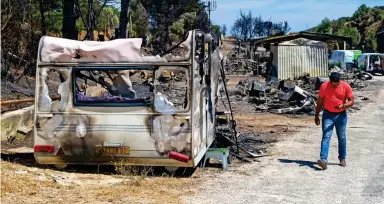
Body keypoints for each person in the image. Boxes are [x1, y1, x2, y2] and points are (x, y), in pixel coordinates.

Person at [315, 72, 354, 170]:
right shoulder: (324, 87)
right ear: (330, 81)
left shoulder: (346, 86)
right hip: (328, 115)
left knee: (342, 137)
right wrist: (316, 115)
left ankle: (342, 158)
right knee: (326, 136)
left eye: (337, 85)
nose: (334, 86)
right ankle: (323, 160)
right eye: (333, 84)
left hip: (341, 115)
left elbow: (351, 101)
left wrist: (344, 105)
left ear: (340, 81)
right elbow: (320, 101)